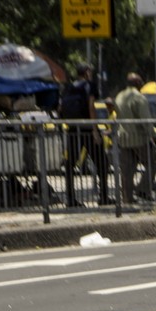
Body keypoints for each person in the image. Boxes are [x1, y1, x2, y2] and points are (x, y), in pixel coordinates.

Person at [58, 64, 103, 205]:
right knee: (103, 163)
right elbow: (91, 106)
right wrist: (95, 129)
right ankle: (105, 197)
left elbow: (60, 107)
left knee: (70, 165)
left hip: (72, 130)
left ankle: (70, 199)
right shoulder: (90, 85)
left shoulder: (68, 87)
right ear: (87, 72)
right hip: (87, 130)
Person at [113, 73, 154, 205]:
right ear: (137, 82)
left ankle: (127, 198)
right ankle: (143, 189)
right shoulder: (138, 97)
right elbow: (146, 120)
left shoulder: (119, 96)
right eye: (141, 82)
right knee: (154, 162)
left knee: (127, 170)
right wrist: (153, 135)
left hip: (123, 138)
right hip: (138, 137)